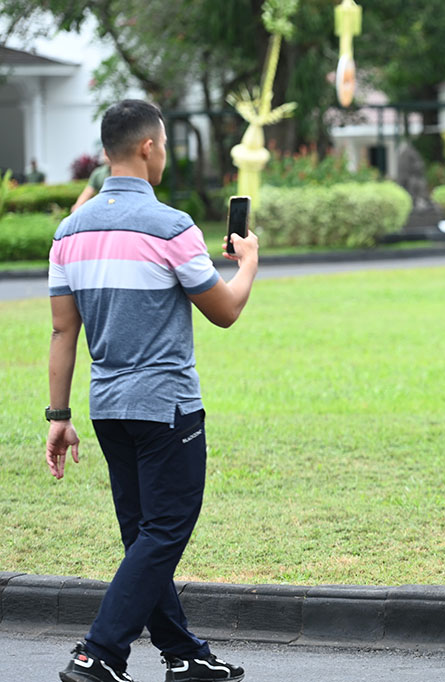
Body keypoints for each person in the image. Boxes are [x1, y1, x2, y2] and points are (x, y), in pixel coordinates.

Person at [46, 99, 257, 682]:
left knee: (145, 537)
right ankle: (98, 652)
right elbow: (225, 311)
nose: (163, 153)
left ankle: (184, 655)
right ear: (147, 147)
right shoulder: (171, 225)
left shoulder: (68, 232)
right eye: (163, 144)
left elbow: (64, 331)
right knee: (164, 533)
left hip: (107, 408)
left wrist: (57, 416)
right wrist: (250, 264)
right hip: (166, 407)